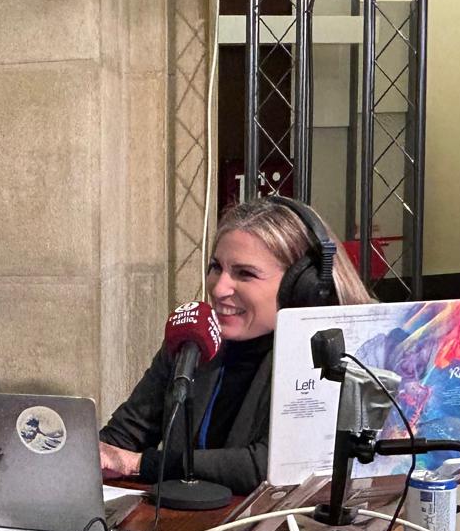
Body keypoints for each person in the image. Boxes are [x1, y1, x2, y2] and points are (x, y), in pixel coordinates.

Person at [99, 196, 374, 494]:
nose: (218, 288)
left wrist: (142, 464)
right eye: (216, 267)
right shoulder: (193, 338)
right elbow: (122, 439)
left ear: (304, 288)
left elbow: (270, 466)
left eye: (245, 273)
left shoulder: (332, 356)